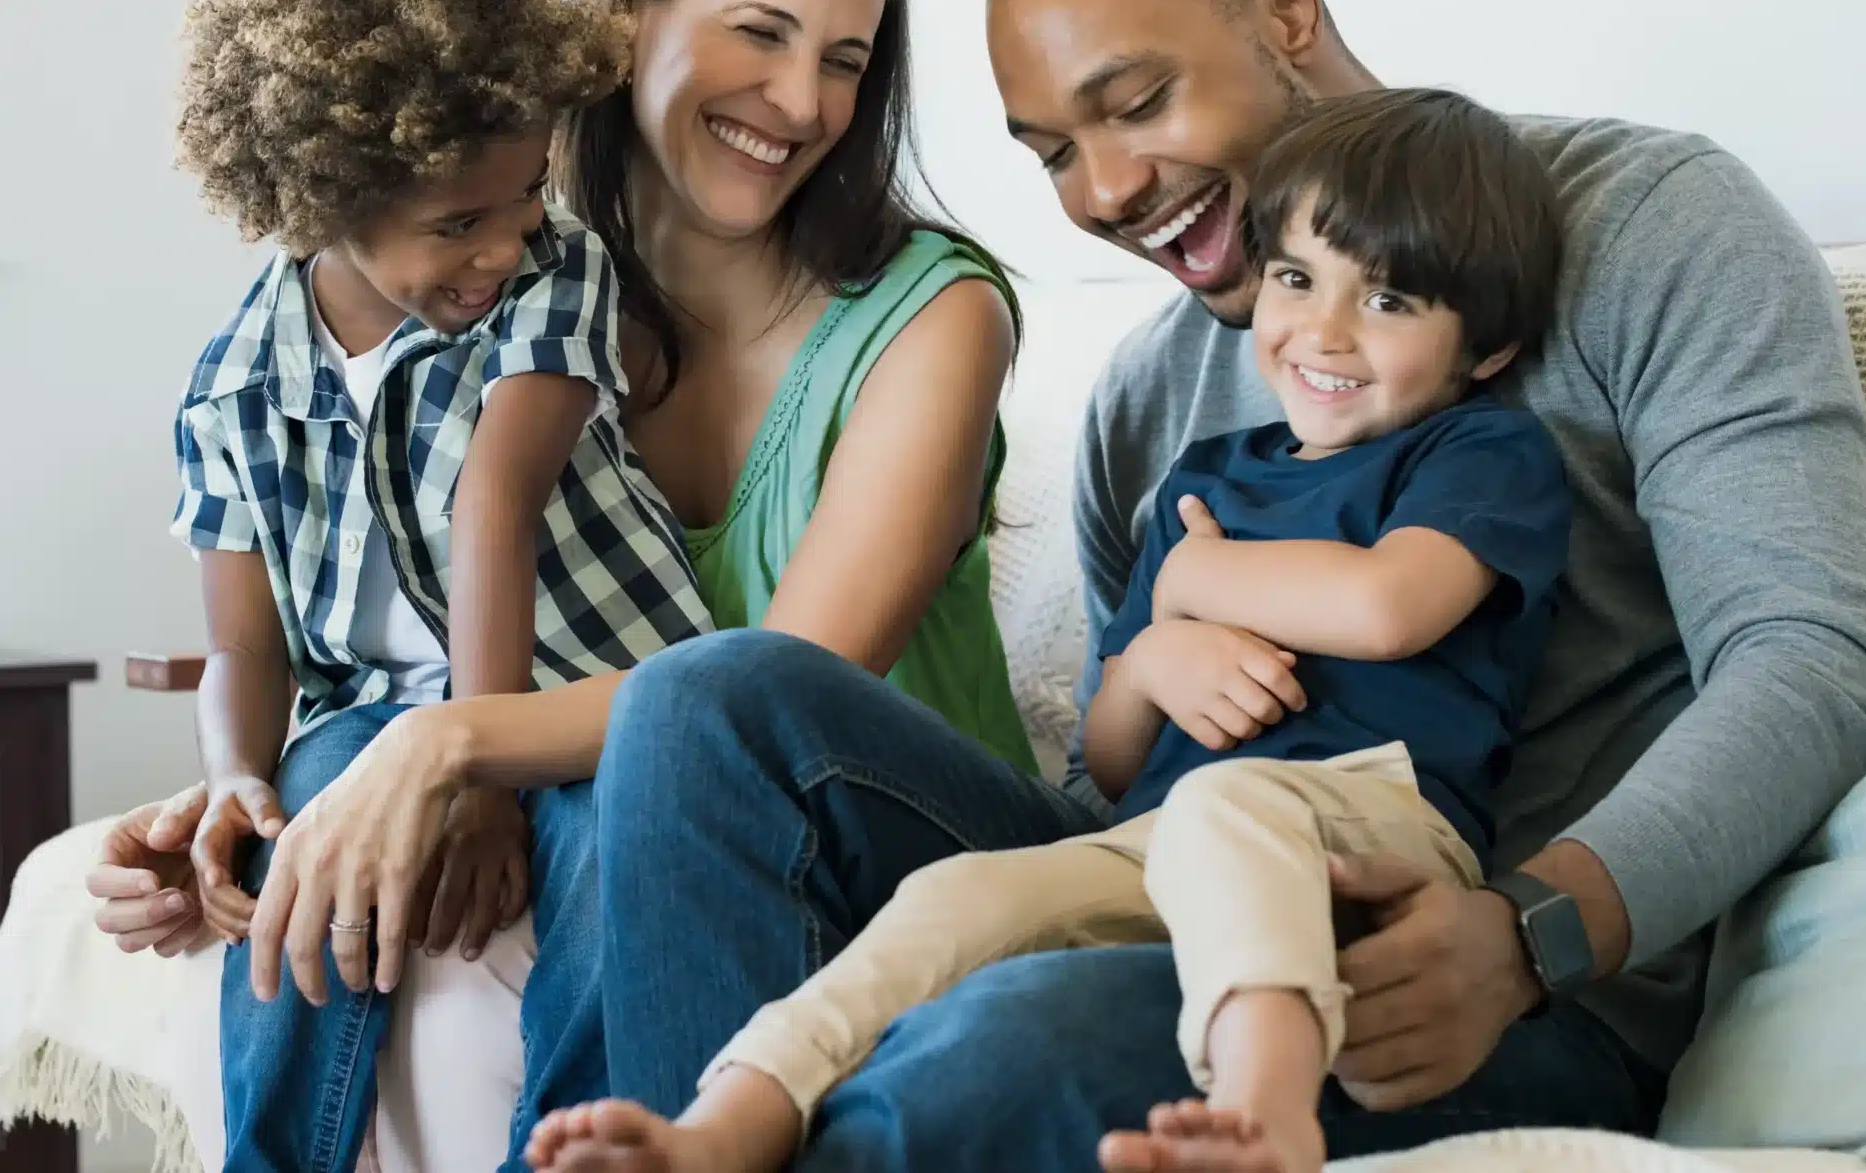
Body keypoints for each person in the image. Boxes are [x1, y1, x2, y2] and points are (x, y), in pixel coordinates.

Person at [580, 0, 1866, 1169]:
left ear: (1284, 13)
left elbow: (1809, 664)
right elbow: (1122, 774)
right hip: (1185, 886)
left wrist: (1531, 932)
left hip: (1483, 982)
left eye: (1137, 101)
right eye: (1053, 154)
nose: (1104, 194)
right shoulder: (1149, 399)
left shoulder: (1652, 229)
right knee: (703, 703)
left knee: (994, 1047)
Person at [84, 0, 1050, 1170]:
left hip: (892, 833)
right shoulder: (501, 286)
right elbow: (367, 602)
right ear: (625, 16)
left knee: (669, 742)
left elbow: (782, 690)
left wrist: (451, 745)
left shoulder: (930, 317)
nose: (801, 101)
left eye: (845, 60)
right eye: (759, 33)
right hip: (636, 792)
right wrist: (249, 799)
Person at [527, 87, 1572, 1173]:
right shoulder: (1208, 477)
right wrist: (1157, 650)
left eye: (1389, 301)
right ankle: (726, 1122)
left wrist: (1198, 579)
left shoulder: (1476, 453)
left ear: (1486, 348)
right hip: (1157, 841)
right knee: (958, 895)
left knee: (1231, 800)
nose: (1322, 330)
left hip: (1375, 828)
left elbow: (1388, 606)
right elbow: (1113, 758)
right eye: (1298, 277)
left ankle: (1267, 1114)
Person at [160, 0, 717, 1171]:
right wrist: (240, 777)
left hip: (591, 688)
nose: (502, 243)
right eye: (457, 223)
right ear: (319, 201)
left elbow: (495, 508)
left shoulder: (552, 271)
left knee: (605, 863)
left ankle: (575, 1153)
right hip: (371, 713)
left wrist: (477, 771)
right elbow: (246, 647)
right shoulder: (236, 384)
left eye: (524, 195)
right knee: (310, 837)